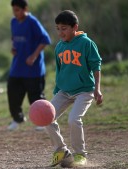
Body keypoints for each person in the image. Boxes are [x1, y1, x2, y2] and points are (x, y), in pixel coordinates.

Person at [45, 10, 103, 167]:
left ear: (74, 27)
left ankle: (79, 155)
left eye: (64, 28)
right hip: (64, 91)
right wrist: (57, 90)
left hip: (85, 90)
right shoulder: (59, 47)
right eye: (58, 28)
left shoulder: (86, 43)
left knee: (74, 119)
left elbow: (96, 66)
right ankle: (61, 151)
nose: (60, 32)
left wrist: (97, 89)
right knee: (47, 117)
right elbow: (60, 70)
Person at [7, 0, 51, 131]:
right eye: (14, 10)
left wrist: (34, 55)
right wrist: (13, 49)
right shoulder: (13, 22)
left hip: (33, 68)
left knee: (36, 97)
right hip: (17, 66)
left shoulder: (32, 22)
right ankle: (17, 118)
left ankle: (42, 121)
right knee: (13, 94)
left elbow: (45, 39)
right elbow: (14, 39)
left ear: (25, 8)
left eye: (18, 10)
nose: (16, 13)